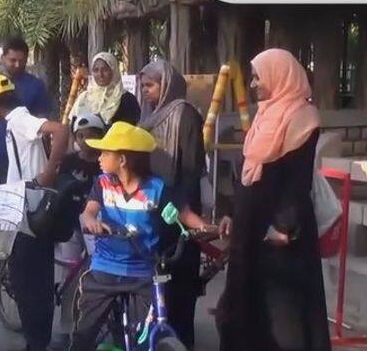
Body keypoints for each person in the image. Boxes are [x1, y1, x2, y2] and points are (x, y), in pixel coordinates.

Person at [216, 48, 330, 351]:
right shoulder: (264, 117)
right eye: (252, 78)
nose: (253, 84)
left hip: (279, 240)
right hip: (250, 233)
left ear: (279, 75)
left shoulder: (303, 119)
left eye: (257, 77)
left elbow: (297, 181)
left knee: (283, 321)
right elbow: (245, 173)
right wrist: (233, 214)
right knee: (243, 311)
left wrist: (284, 226)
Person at [71, 122, 212, 351]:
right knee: (83, 337)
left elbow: (184, 214)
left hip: (143, 272)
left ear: (122, 160)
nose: (99, 157)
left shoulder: (156, 188)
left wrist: (206, 228)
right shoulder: (103, 184)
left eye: (105, 152)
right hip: (105, 270)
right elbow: (89, 211)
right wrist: (91, 222)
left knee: (143, 341)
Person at [0, 73, 69, 351]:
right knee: (31, 279)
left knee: (29, 283)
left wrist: (48, 174)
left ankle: (37, 341)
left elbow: (61, 131)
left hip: (32, 208)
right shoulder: (15, 121)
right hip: (24, 204)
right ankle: (35, 339)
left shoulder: (19, 120)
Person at [137, 59, 206, 348]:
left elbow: (191, 168)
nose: (146, 92)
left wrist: (179, 210)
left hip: (178, 210)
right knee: (155, 284)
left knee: (179, 285)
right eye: (143, 87)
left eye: (150, 86)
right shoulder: (148, 118)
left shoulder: (184, 115)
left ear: (166, 85)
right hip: (152, 206)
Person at [50, 113, 107, 351]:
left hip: (99, 226)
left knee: (99, 279)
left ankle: (98, 330)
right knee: (70, 278)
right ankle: (65, 329)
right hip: (71, 225)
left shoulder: (107, 162)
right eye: (81, 136)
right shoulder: (69, 162)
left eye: (93, 135)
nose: (86, 140)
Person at [0, 36, 51, 185]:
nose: (17, 64)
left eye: (22, 61)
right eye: (12, 60)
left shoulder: (36, 86)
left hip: (22, 160)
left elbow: (44, 126)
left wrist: (48, 163)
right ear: (2, 58)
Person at [68, 52, 140, 126]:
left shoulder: (127, 99)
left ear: (113, 71)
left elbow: (129, 130)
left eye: (105, 69)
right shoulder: (83, 98)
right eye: (96, 70)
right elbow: (71, 126)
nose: (100, 74)